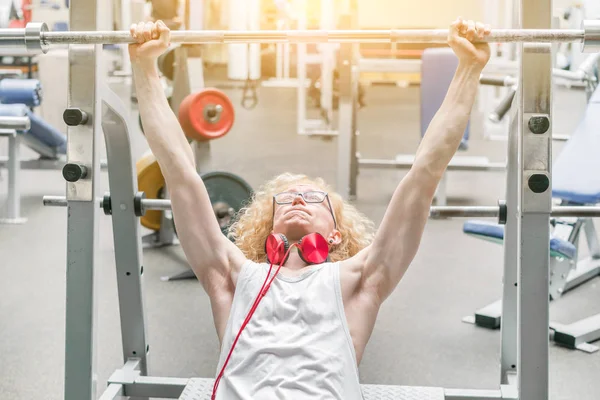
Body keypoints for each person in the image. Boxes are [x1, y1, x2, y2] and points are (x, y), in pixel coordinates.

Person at [129, 17, 491, 400]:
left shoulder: (359, 281)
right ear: (270, 233)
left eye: (314, 199)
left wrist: (469, 68)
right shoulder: (232, 277)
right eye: (283, 199)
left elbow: (424, 175)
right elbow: (180, 174)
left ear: (335, 234)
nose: (297, 199)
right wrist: (145, 68)